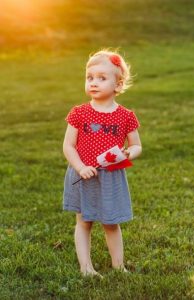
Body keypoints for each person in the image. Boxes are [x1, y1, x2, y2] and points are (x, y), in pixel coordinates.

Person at [63, 49, 142, 278]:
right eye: (90, 77)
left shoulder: (126, 116)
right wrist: (80, 167)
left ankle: (119, 266)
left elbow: (137, 145)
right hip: (84, 172)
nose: (93, 83)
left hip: (110, 176)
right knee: (84, 221)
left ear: (117, 85)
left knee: (111, 223)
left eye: (101, 78)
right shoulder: (79, 113)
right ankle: (86, 268)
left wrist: (127, 154)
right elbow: (68, 146)